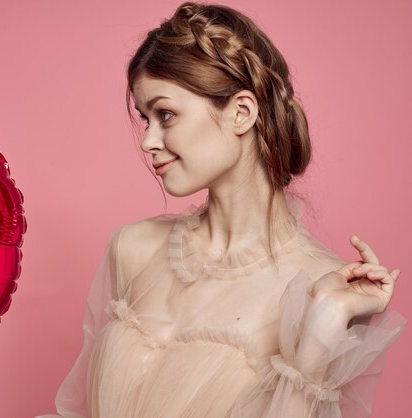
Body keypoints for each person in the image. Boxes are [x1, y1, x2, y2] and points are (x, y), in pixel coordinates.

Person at [37, 2, 406, 417]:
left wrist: (322, 327)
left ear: (241, 113)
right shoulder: (133, 249)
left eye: (166, 114)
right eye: (146, 119)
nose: (148, 142)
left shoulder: (327, 289)